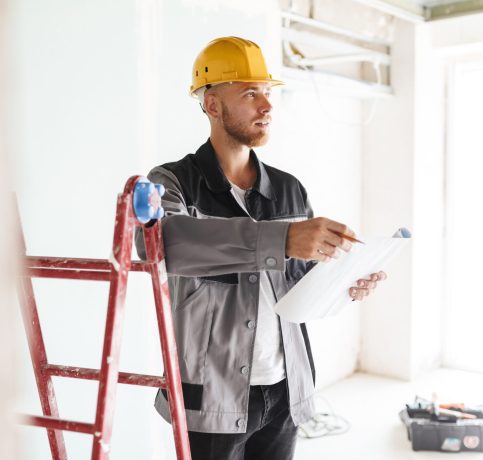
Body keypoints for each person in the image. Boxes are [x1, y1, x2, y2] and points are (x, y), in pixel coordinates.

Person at [135, 36, 386, 460]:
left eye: (268, 93)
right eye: (250, 94)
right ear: (213, 105)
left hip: (285, 388)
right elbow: (163, 244)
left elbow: (299, 281)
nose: (267, 106)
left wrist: (346, 281)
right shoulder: (173, 181)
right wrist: (282, 239)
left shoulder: (288, 189)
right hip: (212, 395)